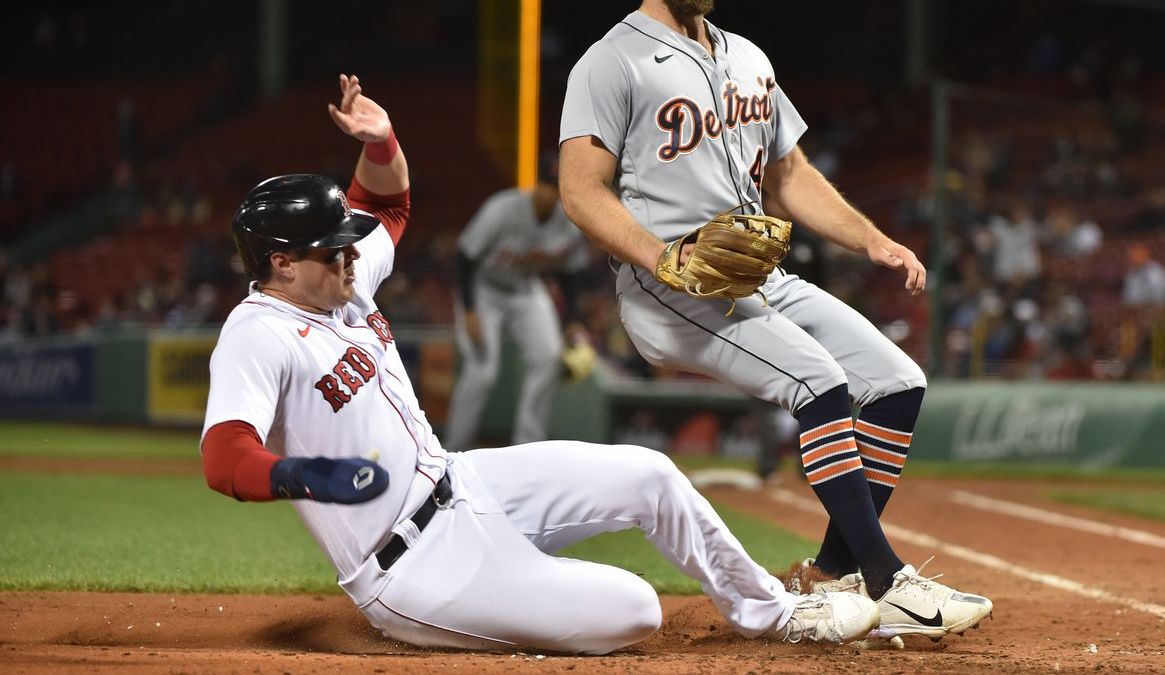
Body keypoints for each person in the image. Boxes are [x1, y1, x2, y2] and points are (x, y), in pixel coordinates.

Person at [200, 74, 880, 654]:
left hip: (461, 482)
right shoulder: (258, 332)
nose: (351, 257)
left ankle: (778, 611)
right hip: (411, 567)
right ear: (280, 263)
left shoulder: (344, 279)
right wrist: (301, 474)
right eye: (331, 251)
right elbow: (225, 457)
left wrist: (380, 141)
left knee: (651, 475)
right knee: (635, 607)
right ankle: (508, 587)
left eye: (348, 247)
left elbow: (385, 204)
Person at [558, 0, 992, 643]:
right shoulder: (610, 61)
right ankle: (886, 580)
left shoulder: (747, 56)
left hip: (757, 278)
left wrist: (870, 240)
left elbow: (791, 173)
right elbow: (580, 189)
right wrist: (660, 255)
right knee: (818, 379)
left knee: (896, 379)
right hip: (669, 286)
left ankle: (834, 573)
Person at [442, 155, 590, 450]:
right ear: (536, 185)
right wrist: (470, 310)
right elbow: (465, 257)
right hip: (484, 288)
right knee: (483, 371)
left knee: (548, 356)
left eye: (557, 186)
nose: (551, 193)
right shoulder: (503, 208)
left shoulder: (569, 221)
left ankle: (528, 447)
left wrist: (571, 318)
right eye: (547, 185)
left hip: (525, 288)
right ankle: (454, 449)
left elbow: (569, 274)